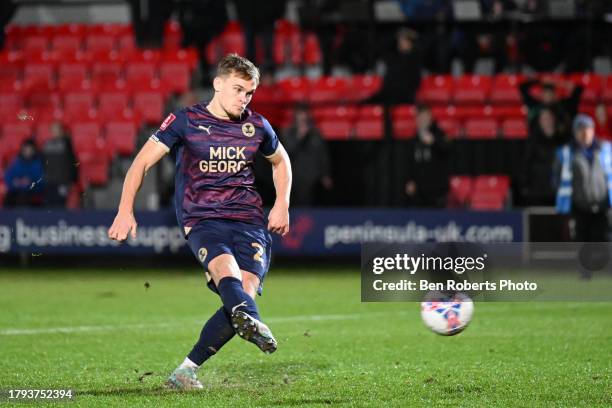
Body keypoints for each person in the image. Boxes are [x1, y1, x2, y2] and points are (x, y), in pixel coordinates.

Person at [107, 54, 292, 390]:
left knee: (242, 296)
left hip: (249, 220)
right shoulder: (185, 120)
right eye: (238, 90)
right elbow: (140, 163)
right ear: (218, 84)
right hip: (203, 218)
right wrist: (124, 209)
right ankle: (255, 323)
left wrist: (282, 204)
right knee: (227, 275)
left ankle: (185, 371)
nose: (244, 98)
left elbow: (282, 162)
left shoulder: (257, 125)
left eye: (249, 93)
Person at [555, 114, 612, 243]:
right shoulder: (566, 153)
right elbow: (557, 179)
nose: (585, 133)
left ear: (593, 130)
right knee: (582, 245)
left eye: (587, 129)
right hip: (580, 209)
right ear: (575, 132)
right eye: (580, 130)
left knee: (604, 244)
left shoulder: (606, 149)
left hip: (603, 208)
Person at [281, 104, 333, 206]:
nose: (302, 118)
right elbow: (287, 153)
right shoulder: (288, 132)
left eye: (305, 115)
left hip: (313, 177)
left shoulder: (315, 133)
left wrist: (325, 174)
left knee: (313, 205)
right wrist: (300, 136)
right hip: (294, 176)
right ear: (295, 116)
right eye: (300, 115)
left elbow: (322, 154)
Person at [404, 105, 451, 207]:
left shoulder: (439, 134)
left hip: (437, 190)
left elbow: (448, 149)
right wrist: (409, 180)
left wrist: (434, 142)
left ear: (430, 119)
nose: (422, 120)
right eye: (420, 118)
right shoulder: (413, 140)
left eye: (425, 117)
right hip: (419, 191)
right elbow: (409, 162)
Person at [522, 109, 567, 205]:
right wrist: (526, 186)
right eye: (544, 119)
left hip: (558, 190)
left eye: (549, 118)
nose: (547, 121)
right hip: (538, 192)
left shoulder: (562, 140)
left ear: (554, 120)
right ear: (540, 122)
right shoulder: (533, 140)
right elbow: (526, 164)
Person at [41, 122, 77, 207]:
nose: (55, 132)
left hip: (62, 181)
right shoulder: (46, 145)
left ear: (62, 131)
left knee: (60, 204)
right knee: (49, 205)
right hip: (49, 181)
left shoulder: (67, 144)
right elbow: (43, 162)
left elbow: (71, 162)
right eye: (53, 130)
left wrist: (71, 179)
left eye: (57, 130)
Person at [3, 139, 45, 207]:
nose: (28, 152)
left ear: (34, 150)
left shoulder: (38, 163)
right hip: (15, 190)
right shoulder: (16, 161)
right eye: (26, 149)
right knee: (8, 199)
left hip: (31, 192)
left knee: (23, 197)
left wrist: (30, 182)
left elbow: (41, 181)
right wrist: (14, 182)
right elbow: (8, 176)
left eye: (30, 149)